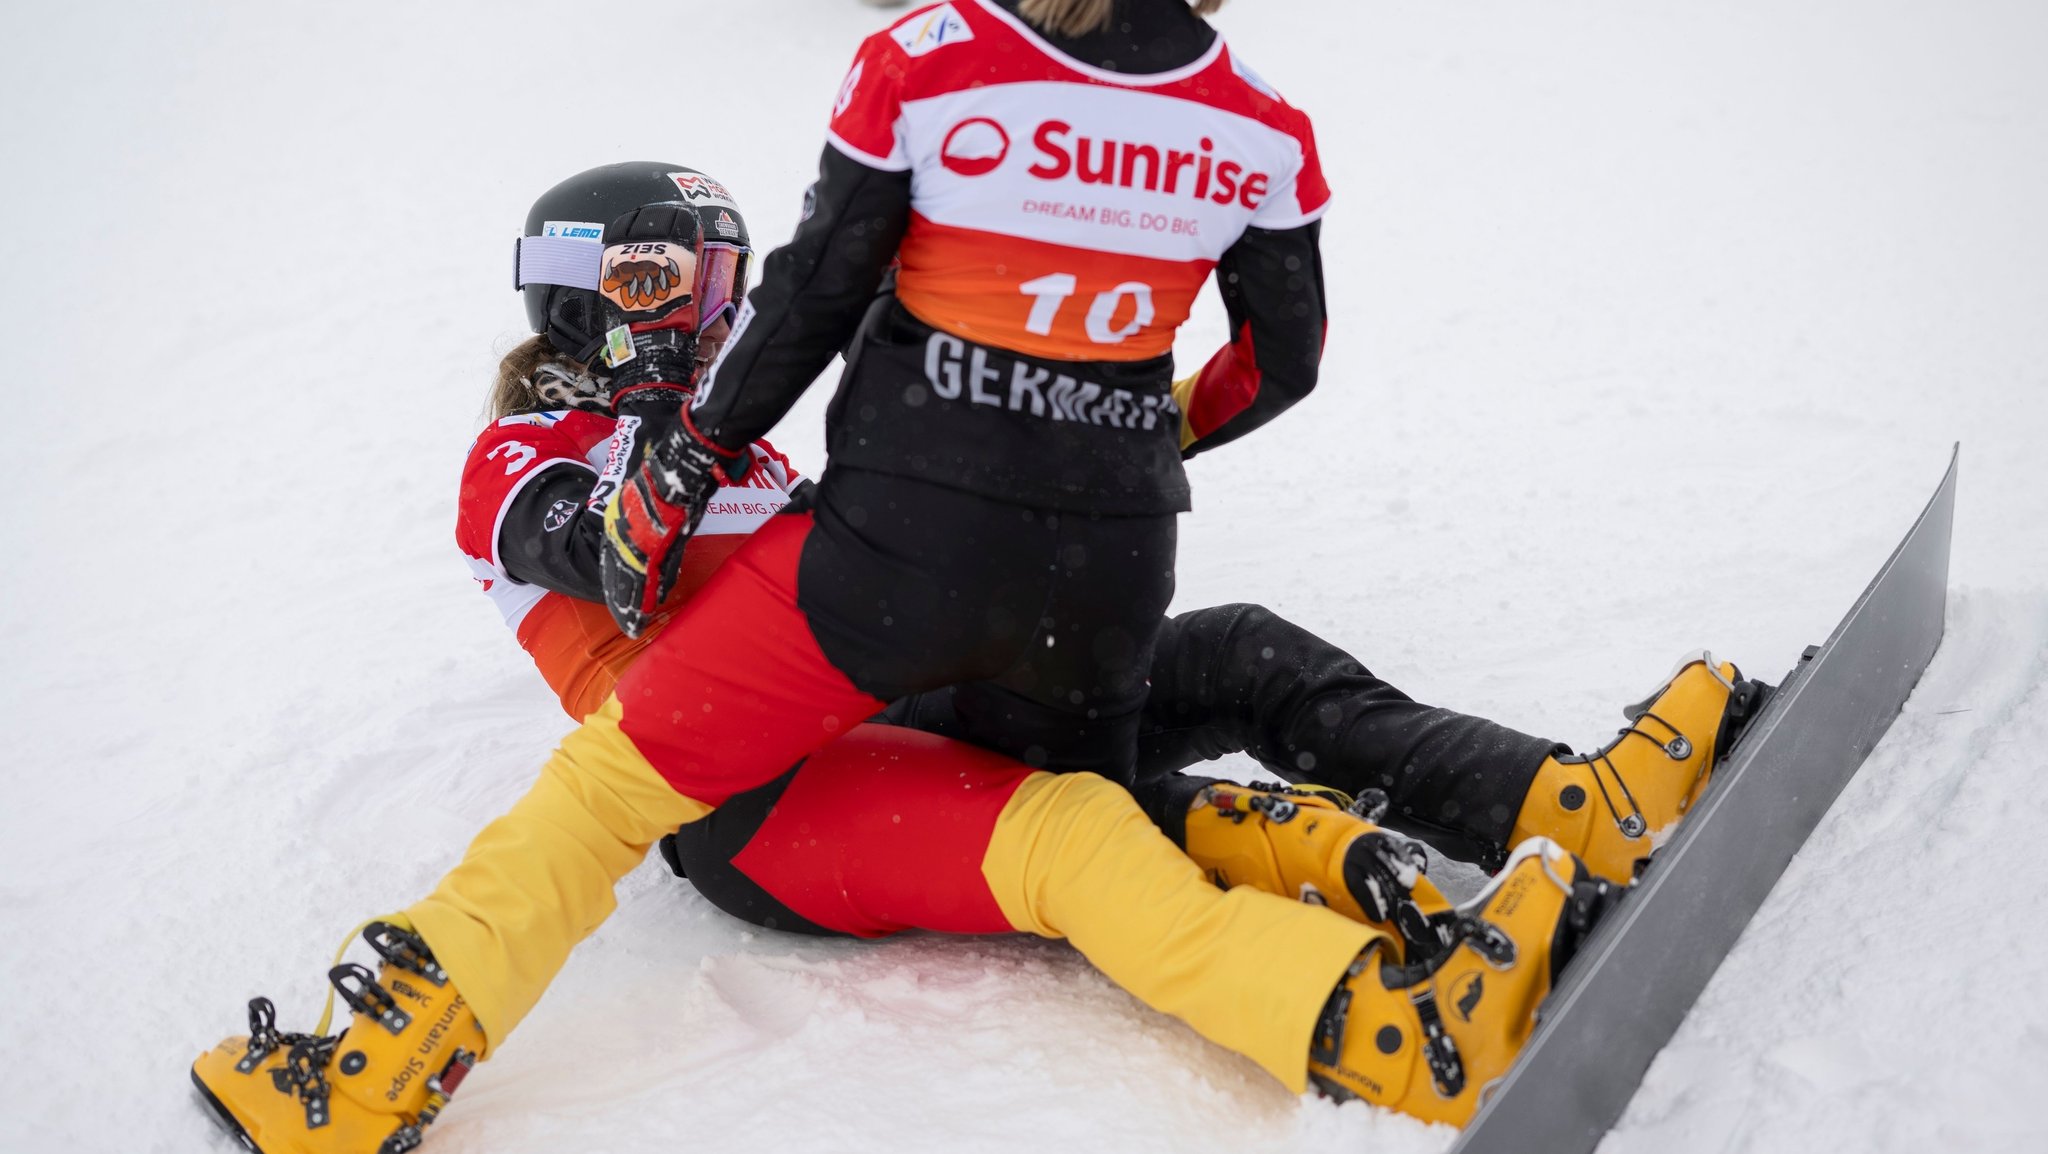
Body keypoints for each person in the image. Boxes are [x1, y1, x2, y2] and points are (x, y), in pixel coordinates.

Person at [188, 5, 1746, 1150]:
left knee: (1234, 655)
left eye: (717, 279)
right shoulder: (523, 449)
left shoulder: (751, 448)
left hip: (883, 699)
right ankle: (1378, 1019)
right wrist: (670, 468)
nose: (698, 315)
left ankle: (1561, 801)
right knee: (1072, 831)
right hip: (744, 800)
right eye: (659, 279)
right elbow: (586, 550)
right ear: (571, 298)